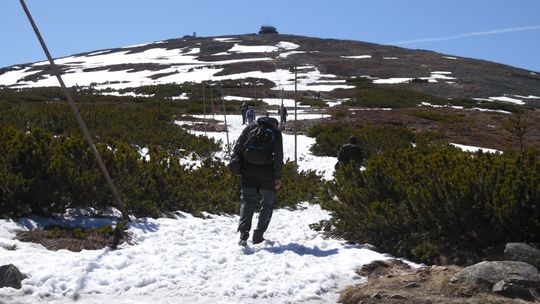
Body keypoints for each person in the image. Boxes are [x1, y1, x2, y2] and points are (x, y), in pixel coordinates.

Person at [233, 116, 283, 246]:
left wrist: (239, 166)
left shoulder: (249, 128)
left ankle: (243, 233)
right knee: (267, 203)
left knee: (247, 201)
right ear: (274, 124)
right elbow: (278, 156)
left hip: (248, 171)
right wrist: (278, 177)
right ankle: (258, 235)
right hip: (267, 172)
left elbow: (237, 148)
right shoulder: (276, 133)